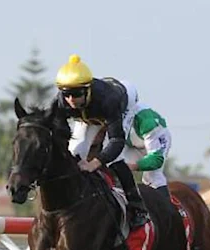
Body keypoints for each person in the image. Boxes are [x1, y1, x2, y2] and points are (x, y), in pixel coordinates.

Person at [53, 54, 148, 228]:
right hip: (89, 114)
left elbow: (117, 141)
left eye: (76, 94)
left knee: (113, 158)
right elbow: (60, 135)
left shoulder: (108, 101)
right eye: (66, 94)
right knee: (75, 151)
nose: (71, 100)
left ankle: (138, 206)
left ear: (87, 90)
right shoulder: (61, 102)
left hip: (124, 100)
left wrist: (95, 162)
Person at [123, 103, 172, 198]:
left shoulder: (146, 120)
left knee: (152, 177)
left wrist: (133, 166)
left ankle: (167, 210)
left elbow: (156, 160)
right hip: (132, 144)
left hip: (156, 139)